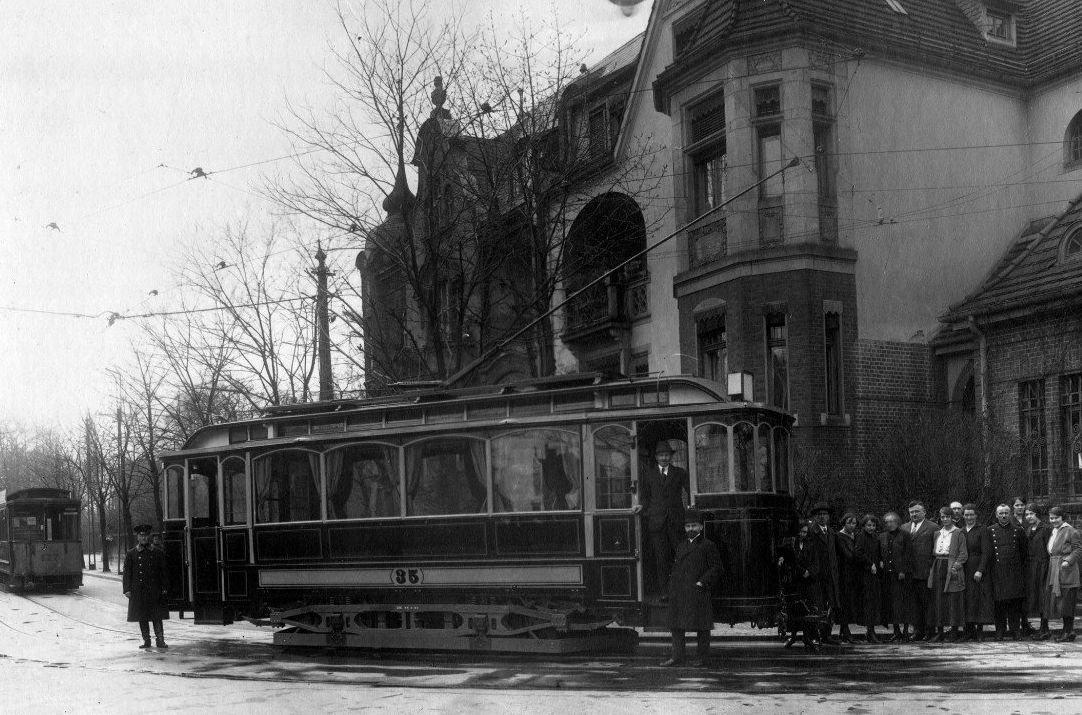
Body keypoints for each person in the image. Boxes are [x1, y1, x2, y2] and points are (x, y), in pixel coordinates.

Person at [661, 509, 722, 667]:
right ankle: (677, 656)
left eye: (694, 526)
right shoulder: (681, 546)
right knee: (676, 625)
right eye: (688, 526)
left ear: (701, 527)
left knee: (702, 626)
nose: (690, 529)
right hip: (680, 591)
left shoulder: (708, 545)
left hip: (698, 591)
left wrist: (702, 583)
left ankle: (702, 658)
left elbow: (717, 568)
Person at [637, 440, 689, 599]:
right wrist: (642, 507)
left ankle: (682, 591)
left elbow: (690, 490)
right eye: (661, 455)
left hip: (676, 521)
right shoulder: (649, 474)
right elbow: (646, 497)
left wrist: (693, 505)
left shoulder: (680, 473)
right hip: (657, 523)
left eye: (667, 455)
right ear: (657, 457)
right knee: (661, 559)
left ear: (671, 457)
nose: (664, 458)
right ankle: (664, 592)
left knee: (681, 557)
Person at [985, 503, 1028, 640]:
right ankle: (1000, 631)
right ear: (996, 515)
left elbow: (1024, 553)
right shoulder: (990, 531)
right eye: (1001, 513)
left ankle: (1016, 630)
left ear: (1010, 514)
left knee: (1015, 603)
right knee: (999, 603)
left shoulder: (1018, 530)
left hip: (1014, 572)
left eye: (1006, 513)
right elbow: (988, 553)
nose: (1004, 516)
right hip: (997, 572)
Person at [778, 520, 823, 650]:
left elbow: (816, 562)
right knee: (795, 610)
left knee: (808, 610)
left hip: (808, 582)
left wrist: (810, 572)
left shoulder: (811, 545)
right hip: (795, 582)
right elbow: (788, 561)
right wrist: (801, 571)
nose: (803, 534)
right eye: (801, 532)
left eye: (805, 532)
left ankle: (809, 636)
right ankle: (793, 635)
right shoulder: (791, 544)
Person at [123, 524, 169, 649]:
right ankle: (146, 640)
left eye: (146, 535)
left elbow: (163, 571)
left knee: (156, 616)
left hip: (155, 590)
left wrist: (164, 587)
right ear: (137, 537)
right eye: (141, 535)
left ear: (149, 536)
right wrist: (126, 589)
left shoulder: (157, 552)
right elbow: (127, 573)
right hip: (139, 591)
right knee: (141, 616)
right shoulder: (131, 554)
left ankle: (160, 640)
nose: (144, 538)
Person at [927, 506, 967, 642]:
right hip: (938, 565)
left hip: (952, 567)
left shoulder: (958, 533)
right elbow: (933, 552)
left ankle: (954, 632)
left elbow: (963, 553)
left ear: (952, 518)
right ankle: (940, 632)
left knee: (952, 600)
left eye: (947, 517)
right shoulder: (937, 533)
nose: (945, 519)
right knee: (938, 599)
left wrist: (956, 566)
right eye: (943, 517)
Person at [1046, 506, 1082, 641]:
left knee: (1068, 601)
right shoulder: (1054, 531)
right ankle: (1068, 631)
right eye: (1051, 518)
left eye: (1056, 518)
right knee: (1061, 602)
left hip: (1067, 570)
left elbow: (1078, 549)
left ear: (1063, 518)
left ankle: (1067, 631)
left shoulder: (1071, 531)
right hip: (1055, 569)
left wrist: (1068, 561)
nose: (1053, 520)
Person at [904, 500, 938, 641]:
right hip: (909, 572)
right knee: (914, 604)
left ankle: (929, 631)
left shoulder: (933, 527)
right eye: (912, 512)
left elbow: (937, 549)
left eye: (917, 511)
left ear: (924, 512)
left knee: (927, 603)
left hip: (926, 571)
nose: (914, 514)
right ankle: (917, 630)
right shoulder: (904, 527)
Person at [809, 502, 842, 645]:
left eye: (825, 515)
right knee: (818, 606)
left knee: (831, 606)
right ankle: (816, 635)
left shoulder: (832, 533)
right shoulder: (812, 532)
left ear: (828, 517)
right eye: (819, 515)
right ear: (816, 517)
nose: (822, 517)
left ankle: (827, 635)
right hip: (818, 576)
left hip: (831, 576)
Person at [961, 504, 994, 641]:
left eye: (971, 514)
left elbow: (987, 552)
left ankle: (979, 632)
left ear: (976, 515)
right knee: (966, 599)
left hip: (978, 569)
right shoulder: (961, 531)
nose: (969, 517)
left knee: (979, 600)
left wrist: (980, 570)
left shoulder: (982, 530)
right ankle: (968, 631)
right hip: (964, 568)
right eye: (966, 515)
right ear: (963, 516)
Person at [879, 511, 911, 641]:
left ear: (897, 522)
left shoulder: (905, 535)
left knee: (903, 603)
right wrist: (880, 561)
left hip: (901, 575)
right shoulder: (882, 536)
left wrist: (903, 570)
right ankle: (896, 630)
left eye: (892, 521)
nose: (889, 524)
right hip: (888, 575)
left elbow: (908, 554)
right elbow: (879, 553)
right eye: (887, 522)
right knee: (892, 604)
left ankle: (905, 631)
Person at [1023, 503, 1053, 640]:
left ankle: (1045, 628)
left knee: (1043, 597)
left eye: (1031, 514)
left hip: (1043, 566)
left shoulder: (1046, 529)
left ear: (1037, 514)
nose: (1029, 516)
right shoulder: (1029, 529)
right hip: (1032, 567)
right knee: (1036, 598)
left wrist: (1047, 567)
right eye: (1027, 514)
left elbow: (1049, 550)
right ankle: (1042, 628)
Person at [854, 514, 882, 643]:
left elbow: (878, 551)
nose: (871, 528)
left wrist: (880, 561)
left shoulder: (875, 537)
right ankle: (870, 632)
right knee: (868, 603)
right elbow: (858, 553)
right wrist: (870, 564)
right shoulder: (861, 536)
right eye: (869, 525)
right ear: (864, 526)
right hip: (865, 574)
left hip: (874, 574)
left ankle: (871, 631)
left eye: (873, 525)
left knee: (874, 602)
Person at [835, 512, 861, 643]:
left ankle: (843, 631)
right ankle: (845, 631)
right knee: (844, 603)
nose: (852, 525)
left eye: (854, 523)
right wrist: (859, 554)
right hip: (844, 573)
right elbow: (848, 554)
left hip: (853, 573)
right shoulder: (839, 536)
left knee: (850, 602)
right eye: (849, 522)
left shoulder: (854, 535)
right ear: (844, 523)